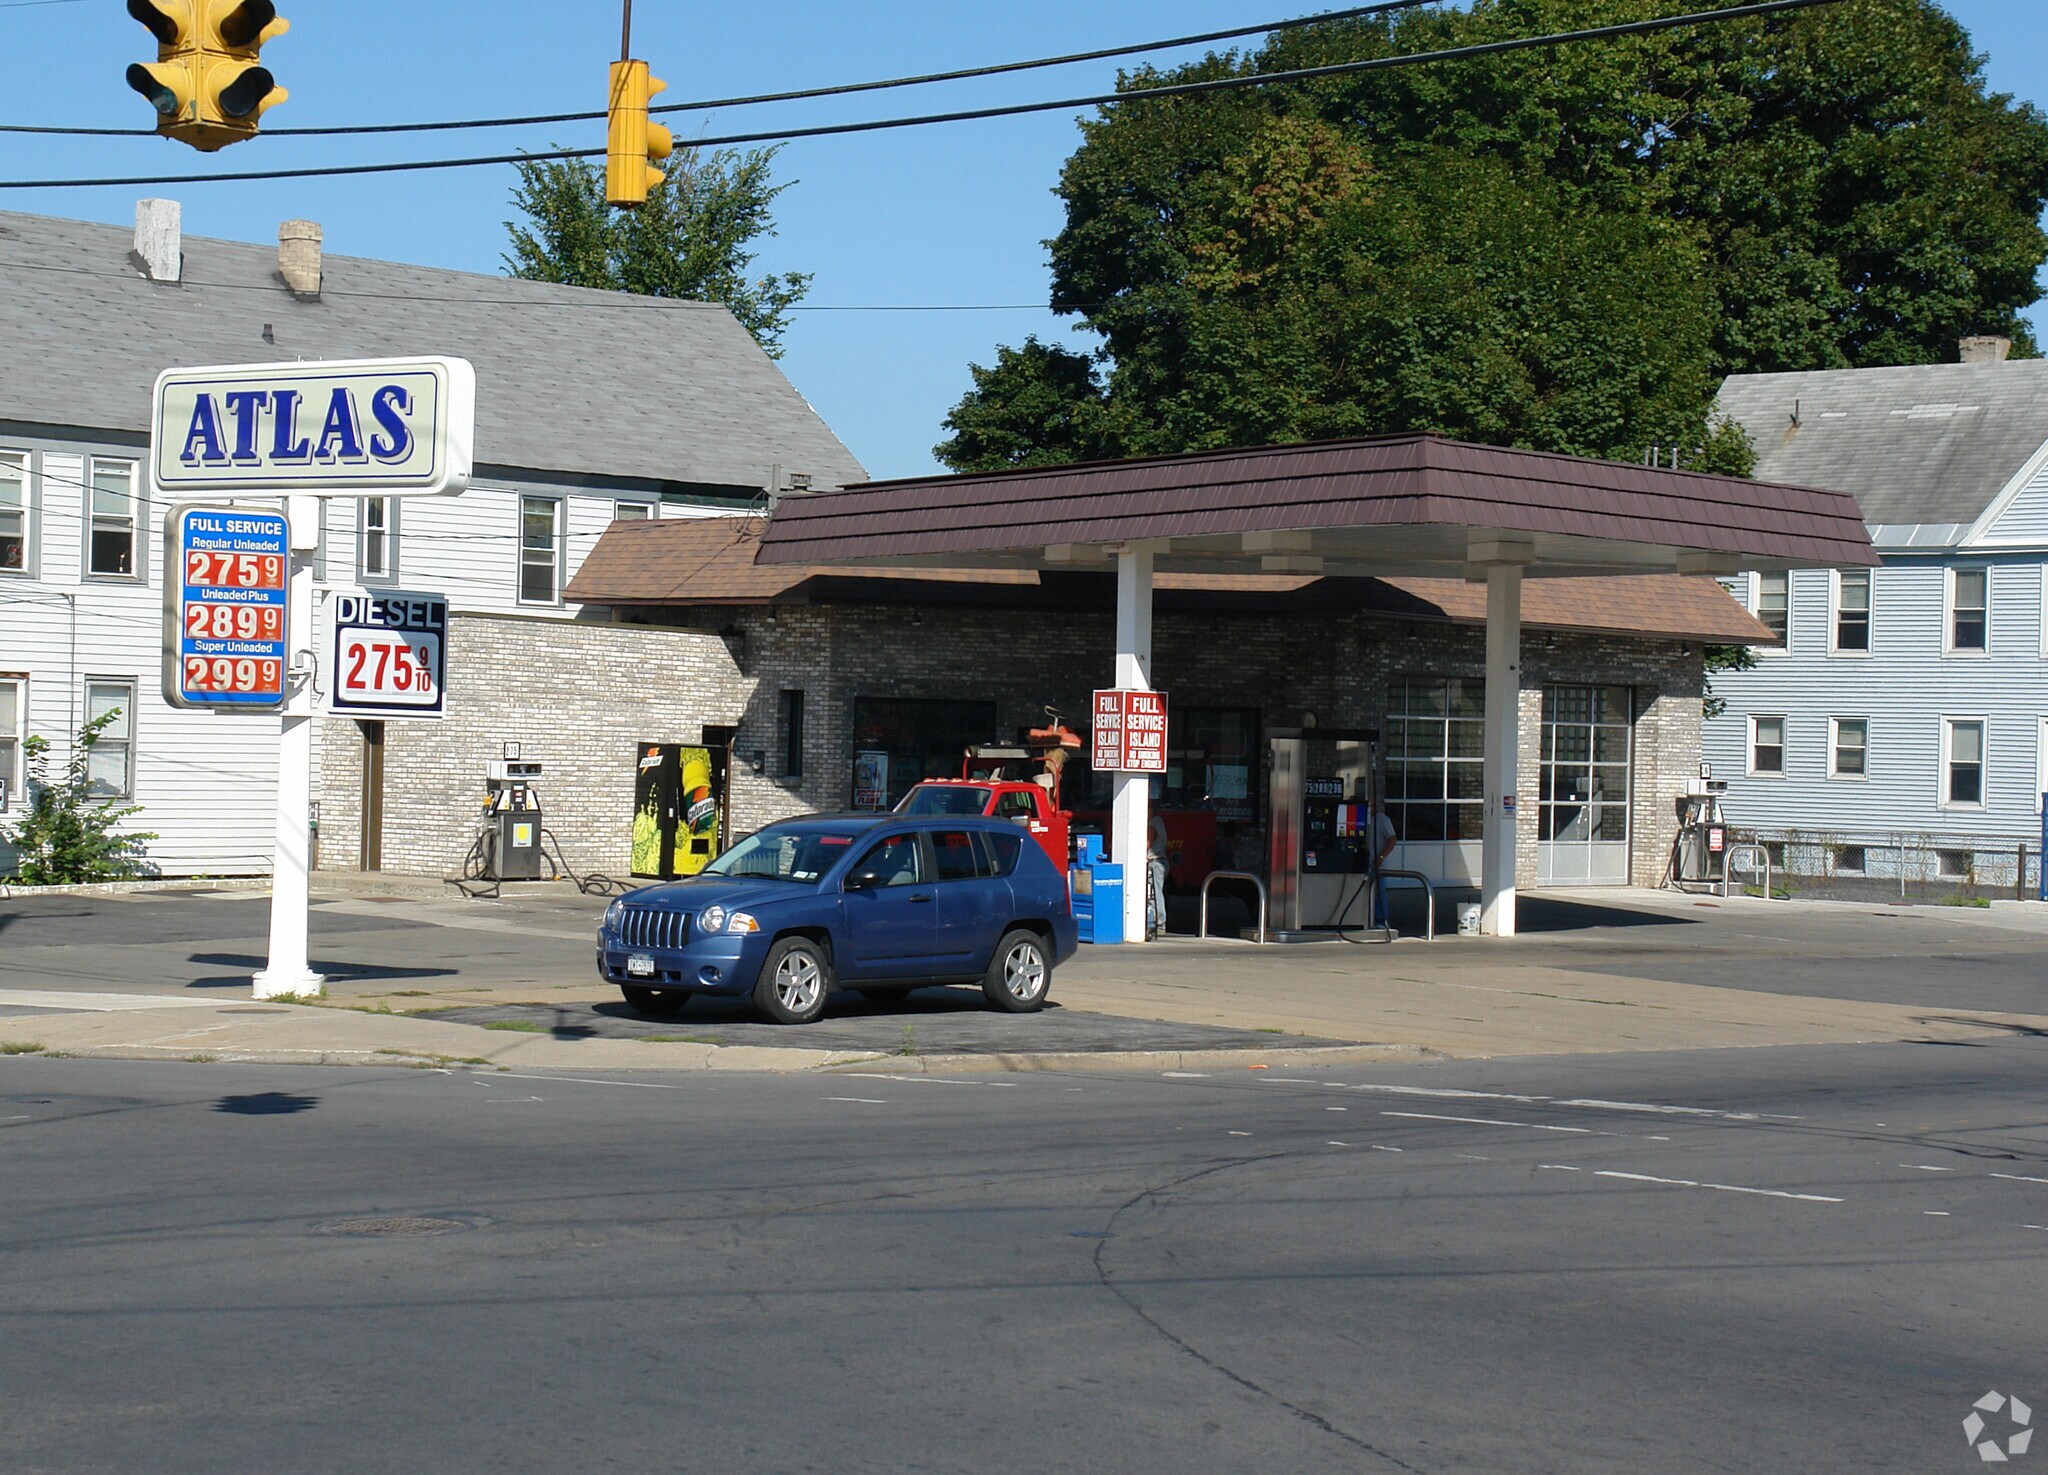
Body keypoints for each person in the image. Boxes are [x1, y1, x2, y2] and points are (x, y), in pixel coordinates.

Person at [1367, 795, 1398, 929]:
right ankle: (1368, 918)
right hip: (1365, 864)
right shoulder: (1364, 820)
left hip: (1377, 864)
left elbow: (1392, 839)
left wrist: (1381, 856)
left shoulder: (1381, 820)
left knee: (1379, 892)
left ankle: (1382, 920)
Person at [1148, 811, 1171, 940]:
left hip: (1154, 863)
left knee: (1155, 894)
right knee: (1154, 894)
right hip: (1160, 862)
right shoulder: (1159, 821)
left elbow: (1146, 844)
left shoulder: (1152, 824)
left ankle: (1160, 924)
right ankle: (1156, 922)